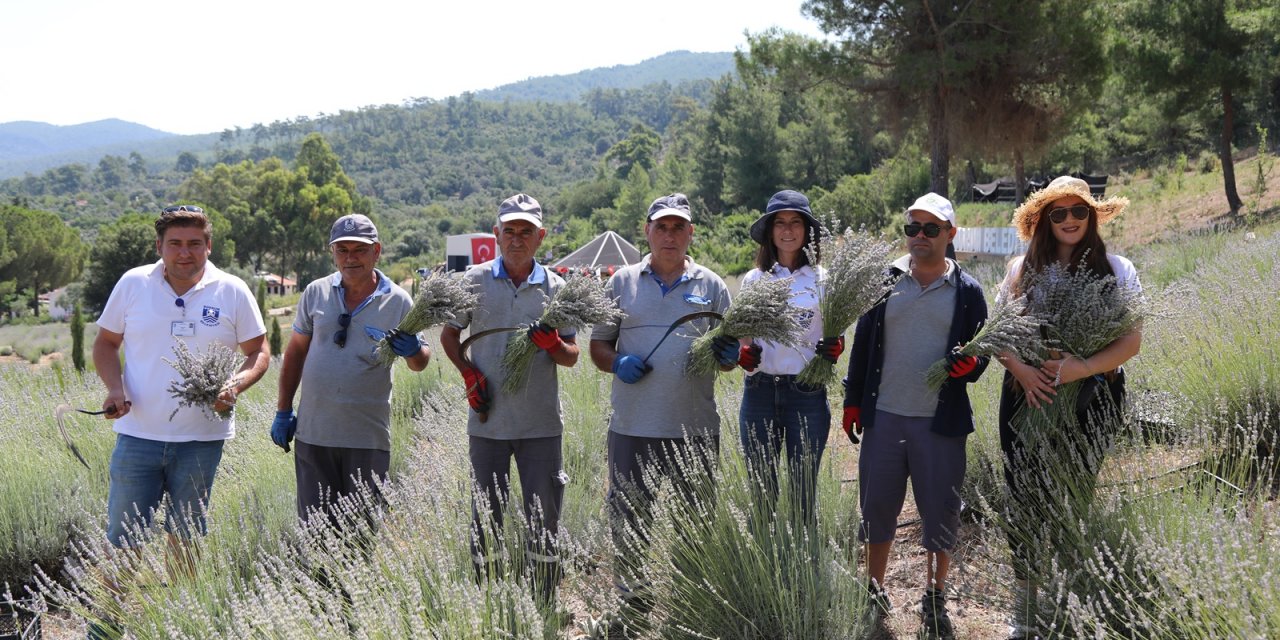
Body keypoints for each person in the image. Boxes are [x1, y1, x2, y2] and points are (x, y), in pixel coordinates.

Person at [90, 204, 269, 639]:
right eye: (175, 243)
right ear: (160, 247)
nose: (184, 253)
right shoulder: (133, 284)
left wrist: (236, 384)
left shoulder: (232, 290)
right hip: (137, 436)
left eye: (194, 243)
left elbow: (259, 351)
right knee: (124, 537)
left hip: (202, 439)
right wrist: (116, 389)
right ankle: (106, 626)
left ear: (208, 245)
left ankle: (183, 624)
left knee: (186, 534)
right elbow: (106, 343)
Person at [995, 176, 1141, 640]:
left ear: (1092, 216)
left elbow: (1132, 341)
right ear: (1044, 221)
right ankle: (1025, 611)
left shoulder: (1118, 268)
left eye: (1079, 211)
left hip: (1092, 396)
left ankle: (1066, 604)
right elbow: (998, 334)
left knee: (1073, 495)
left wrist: (1081, 368)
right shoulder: (1021, 268)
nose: (1071, 220)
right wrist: (1022, 371)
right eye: (1059, 213)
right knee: (1024, 497)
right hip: (1028, 395)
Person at [842, 193, 989, 639]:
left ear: (950, 234)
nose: (919, 237)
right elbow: (864, 344)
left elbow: (982, 353)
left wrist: (971, 367)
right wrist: (853, 402)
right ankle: (872, 587)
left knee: (940, 510)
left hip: (939, 422)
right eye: (912, 228)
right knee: (878, 508)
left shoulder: (968, 291)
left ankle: (934, 594)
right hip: (884, 416)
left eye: (930, 229)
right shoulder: (883, 281)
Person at [589, 193, 733, 621]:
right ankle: (633, 600)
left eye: (678, 228)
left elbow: (731, 354)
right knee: (630, 520)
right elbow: (598, 345)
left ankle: (688, 603)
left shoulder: (712, 286)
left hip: (695, 430)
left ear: (691, 233)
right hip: (633, 427)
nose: (669, 236)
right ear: (647, 231)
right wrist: (617, 363)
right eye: (661, 227)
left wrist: (728, 355)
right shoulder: (620, 283)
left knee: (696, 521)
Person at [439, 193, 578, 604]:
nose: (518, 239)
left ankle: (543, 601)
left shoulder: (557, 287)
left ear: (541, 237)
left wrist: (553, 343)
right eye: (510, 231)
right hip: (488, 424)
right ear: (497, 234)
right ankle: (489, 603)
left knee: (544, 519)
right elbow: (450, 335)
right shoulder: (473, 281)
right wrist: (468, 374)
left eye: (526, 232)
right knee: (486, 519)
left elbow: (570, 357)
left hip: (540, 426)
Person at [273, 213, 430, 525]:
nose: (350, 258)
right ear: (332, 254)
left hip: (366, 438)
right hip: (314, 434)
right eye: (342, 250)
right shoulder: (315, 293)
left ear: (376, 251)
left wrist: (413, 351)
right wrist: (283, 410)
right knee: (315, 530)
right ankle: (319, 577)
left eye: (359, 249)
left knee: (359, 532)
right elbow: (294, 354)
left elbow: (421, 361)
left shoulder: (398, 300)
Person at [737, 189, 840, 522]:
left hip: (806, 394)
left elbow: (833, 336)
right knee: (762, 493)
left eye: (796, 222)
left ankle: (802, 568)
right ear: (770, 231)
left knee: (803, 494)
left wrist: (834, 349)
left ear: (807, 230)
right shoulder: (754, 280)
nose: (788, 230)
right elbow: (744, 337)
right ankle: (766, 564)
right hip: (760, 393)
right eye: (779, 222)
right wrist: (745, 355)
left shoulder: (824, 281)